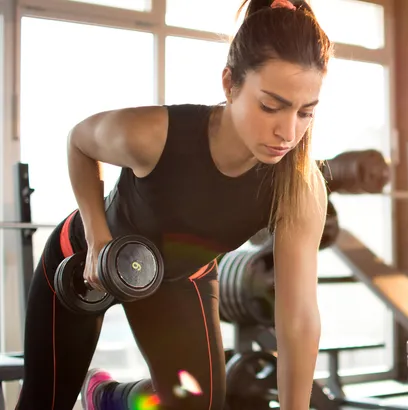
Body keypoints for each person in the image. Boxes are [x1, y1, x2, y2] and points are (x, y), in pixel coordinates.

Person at [15, 0, 333, 408]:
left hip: (178, 279)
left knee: (196, 404)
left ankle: (110, 399)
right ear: (230, 84)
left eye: (305, 112)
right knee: (44, 400)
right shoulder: (154, 134)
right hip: (88, 259)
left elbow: (299, 319)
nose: (288, 132)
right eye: (271, 106)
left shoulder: (299, 186)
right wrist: (96, 238)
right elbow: (79, 141)